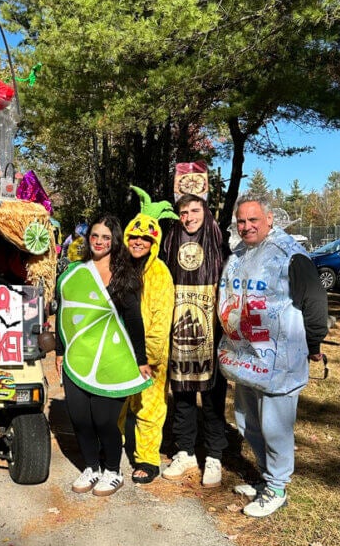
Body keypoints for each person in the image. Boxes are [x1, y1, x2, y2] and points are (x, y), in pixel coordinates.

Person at [217, 196, 328, 517]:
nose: (246, 226)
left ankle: (277, 488)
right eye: (241, 221)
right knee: (247, 423)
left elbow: (315, 300)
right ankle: (267, 479)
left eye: (253, 220)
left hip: (279, 361)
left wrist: (314, 342)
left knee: (274, 426)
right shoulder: (240, 254)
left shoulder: (289, 256)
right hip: (246, 358)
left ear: (269, 219)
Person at [55, 214, 151, 497]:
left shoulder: (124, 275)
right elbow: (66, 313)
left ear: (114, 241)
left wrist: (141, 359)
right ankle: (92, 467)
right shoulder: (75, 273)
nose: (98, 241)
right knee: (80, 418)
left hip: (113, 358)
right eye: (95, 236)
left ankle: (113, 471)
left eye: (105, 237)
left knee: (105, 421)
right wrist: (61, 351)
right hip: (78, 356)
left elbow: (134, 320)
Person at [161, 193, 228, 487]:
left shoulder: (217, 241)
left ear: (206, 211)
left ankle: (214, 455)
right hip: (179, 328)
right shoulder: (170, 240)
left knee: (213, 397)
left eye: (195, 210)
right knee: (183, 395)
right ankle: (185, 451)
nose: (189, 217)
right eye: (184, 212)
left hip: (211, 330)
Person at [121, 187, 176, 483]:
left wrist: (150, 356)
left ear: (154, 241)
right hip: (118, 351)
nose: (139, 241)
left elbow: (161, 318)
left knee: (148, 407)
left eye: (146, 237)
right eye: (134, 236)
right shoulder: (118, 267)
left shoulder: (160, 274)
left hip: (149, 357)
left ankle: (147, 458)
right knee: (114, 404)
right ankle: (108, 450)